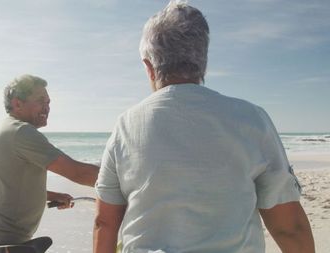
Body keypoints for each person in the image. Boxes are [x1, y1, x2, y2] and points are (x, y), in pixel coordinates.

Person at [93, 1, 315, 253]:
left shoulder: (126, 125)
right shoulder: (251, 119)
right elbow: (289, 227)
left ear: (149, 67)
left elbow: (105, 222)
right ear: (203, 63)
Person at [0, 74, 99, 253]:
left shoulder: (4, 129)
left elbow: (7, 186)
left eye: (48, 102)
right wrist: (126, 181)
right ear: (17, 104)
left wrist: (52, 195)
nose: (47, 107)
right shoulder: (22, 132)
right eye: (40, 101)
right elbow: (78, 172)